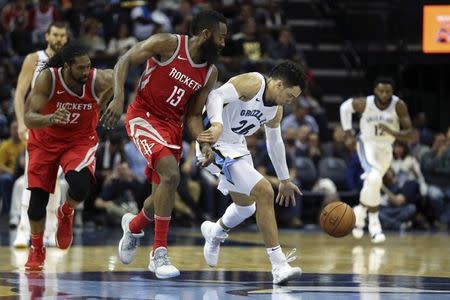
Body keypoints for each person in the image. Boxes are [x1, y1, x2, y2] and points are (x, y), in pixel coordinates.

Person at [102, 10, 227, 279]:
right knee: (170, 174)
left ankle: (134, 225)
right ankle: (158, 253)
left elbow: (193, 115)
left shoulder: (210, 72)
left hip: (172, 127)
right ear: (205, 34)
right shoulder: (168, 44)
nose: (223, 43)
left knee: (163, 192)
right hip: (143, 116)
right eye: (221, 37)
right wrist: (118, 96)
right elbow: (125, 59)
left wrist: (203, 142)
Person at [196, 61, 306, 285]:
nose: (291, 101)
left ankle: (215, 232)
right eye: (290, 95)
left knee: (247, 207)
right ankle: (278, 265)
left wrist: (285, 180)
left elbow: (275, 142)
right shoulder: (253, 83)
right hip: (213, 143)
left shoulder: (276, 110)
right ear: (277, 84)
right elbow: (215, 96)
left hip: (236, 145)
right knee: (264, 190)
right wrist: (216, 125)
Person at [23, 43, 113, 271]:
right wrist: (51, 118)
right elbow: (29, 118)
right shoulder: (48, 79)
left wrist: (104, 104)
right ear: (67, 66)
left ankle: (66, 212)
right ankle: (36, 249)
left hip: (79, 139)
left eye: (88, 67)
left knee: (81, 187)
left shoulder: (96, 80)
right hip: (45, 140)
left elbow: (116, 75)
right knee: (36, 205)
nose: (86, 72)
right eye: (80, 68)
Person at [13, 21, 69, 248]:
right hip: (36, 125)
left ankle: (51, 231)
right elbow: (19, 94)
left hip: (59, 128)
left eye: (62, 35)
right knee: (32, 181)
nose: (58, 39)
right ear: (47, 35)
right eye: (54, 34)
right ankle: (22, 231)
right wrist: (20, 122)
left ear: (66, 39)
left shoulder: (69, 61)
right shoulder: (34, 59)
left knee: (55, 183)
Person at [339, 77, 413, 243]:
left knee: (373, 182)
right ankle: (374, 225)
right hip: (367, 145)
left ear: (392, 92)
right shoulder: (366, 103)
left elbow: (410, 134)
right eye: (381, 90)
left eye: (388, 91)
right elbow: (345, 107)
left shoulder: (399, 105)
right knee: (374, 177)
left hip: (386, 149)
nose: (385, 94)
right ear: (375, 90)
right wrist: (348, 133)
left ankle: (360, 212)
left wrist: (392, 132)